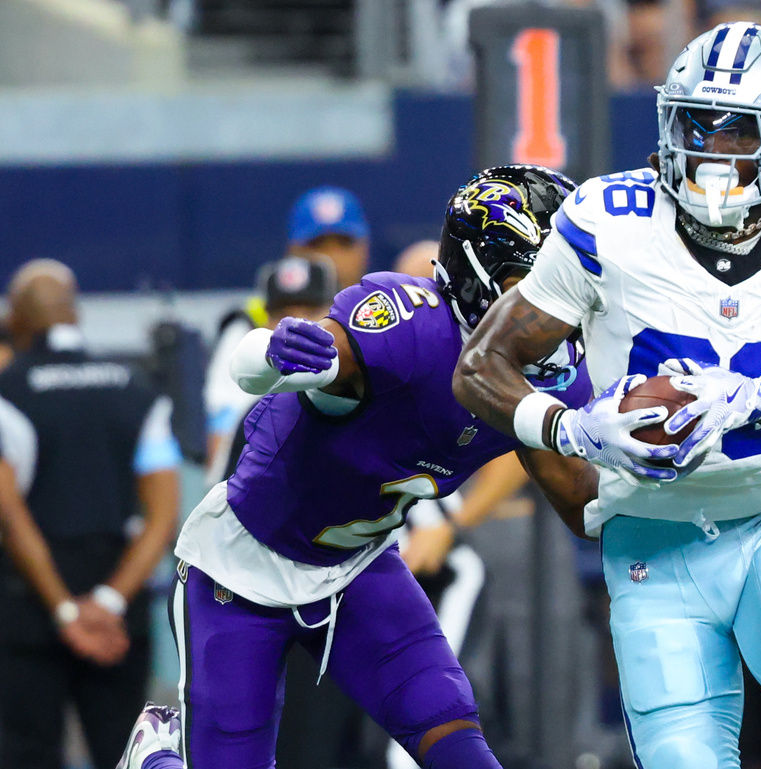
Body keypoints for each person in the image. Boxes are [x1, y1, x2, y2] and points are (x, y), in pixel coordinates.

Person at [455, 23, 761, 769]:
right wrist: (577, 431)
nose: (712, 153)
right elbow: (481, 366)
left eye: (741, 132)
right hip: (650, 537)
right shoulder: (610, 223)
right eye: (697, 124)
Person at [114, 165, 596, 769]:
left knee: (457, 744)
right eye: (538, 279)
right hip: (238, 572)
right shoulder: (410, 327)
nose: (558, 304)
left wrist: (654, 462)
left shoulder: (562, 377)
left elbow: (586, 509)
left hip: (356, 569)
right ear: (481, 275)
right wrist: (277, 349)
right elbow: (260, 364)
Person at [0, 259, 181, 769]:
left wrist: (64, 611)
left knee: (28, 755)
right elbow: (163, 515)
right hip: (117, 614)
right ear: (74, 314)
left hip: (29, 608)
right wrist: (106, 602)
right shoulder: (136, 391)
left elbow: (11, 516)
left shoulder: (8, 393)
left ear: (17, 318)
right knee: (124, 751)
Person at [203, 185, 370, 472]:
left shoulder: (385, 314)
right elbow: (224, 434)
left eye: (343, 243)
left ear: (363, 248)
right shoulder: (251, 324)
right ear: (294, 249)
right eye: (318, 244)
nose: (332, 256)